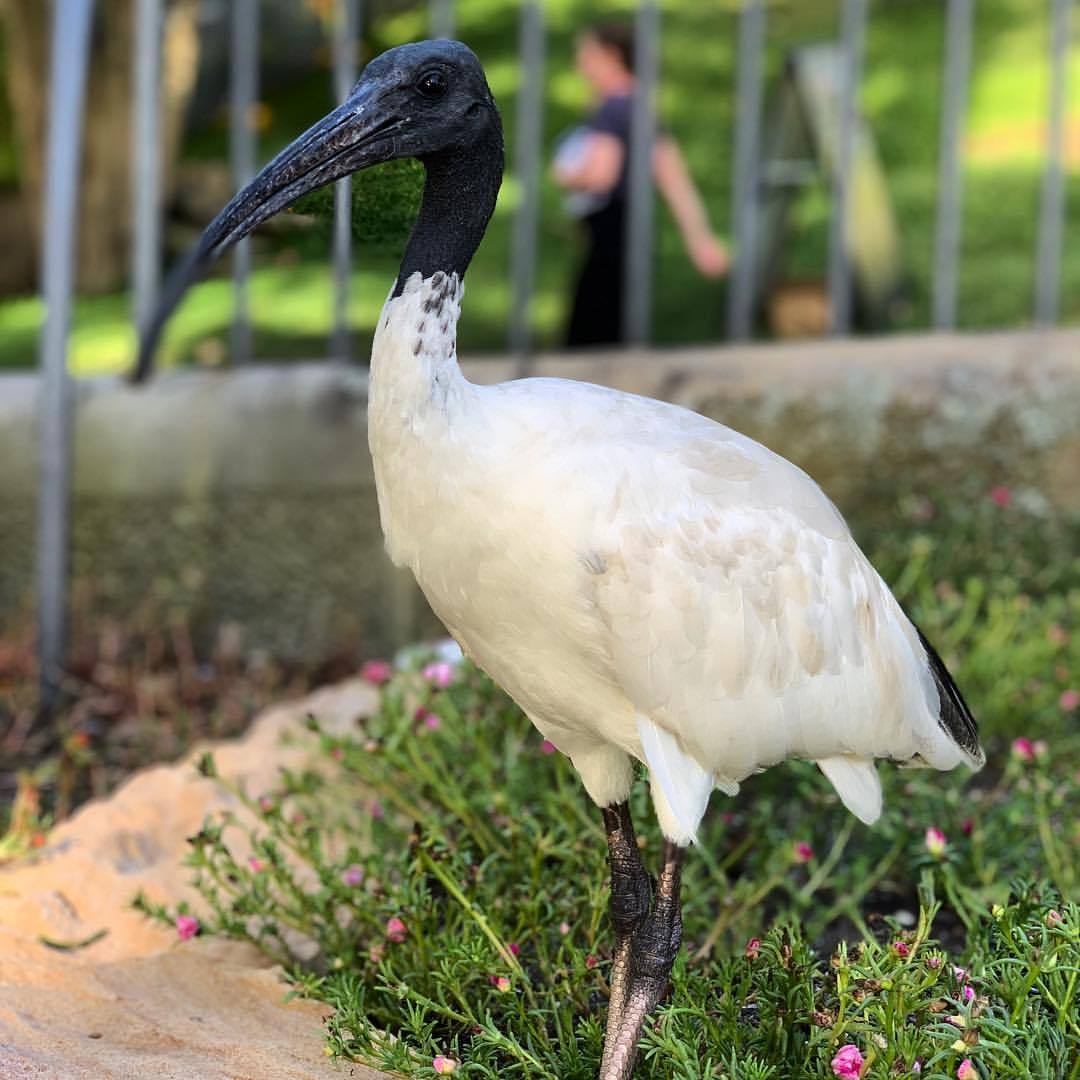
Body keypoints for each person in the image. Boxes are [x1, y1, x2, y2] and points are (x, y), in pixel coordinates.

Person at [553, 21, 730, 348]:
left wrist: (565, 173)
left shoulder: (612, 108)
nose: (579, 61)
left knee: (589, 335)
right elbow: (672, 174)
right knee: (616, 326)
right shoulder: (639, 105)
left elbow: (601, 175)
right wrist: (700, 239)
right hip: (632, 229)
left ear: (610, 55)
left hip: (609, 228)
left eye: (586, 52)